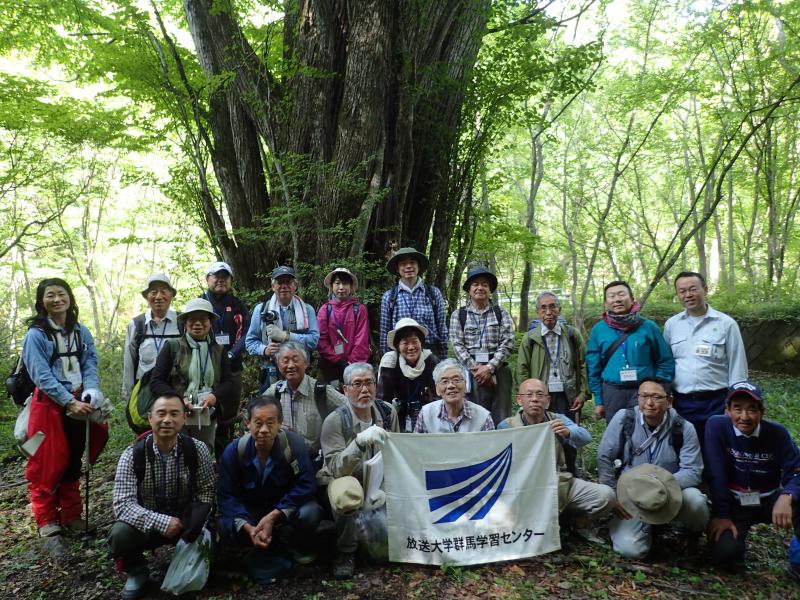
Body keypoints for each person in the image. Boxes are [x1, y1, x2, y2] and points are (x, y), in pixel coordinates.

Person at [22, 278, 111, 556]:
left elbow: (90, 362)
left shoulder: (81, 332)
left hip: (78, 403)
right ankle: (47, 521)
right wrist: (67, 402)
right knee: (46, 462)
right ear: (41, 301)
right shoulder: (36, 335)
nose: (57, 299)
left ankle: (72, 516)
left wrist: (92, 389)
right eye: (50, 295)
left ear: (70, 298)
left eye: (62, 294)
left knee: (73, 459)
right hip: (47, 407)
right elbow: (40, 373)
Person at [109, 394, 215, 600]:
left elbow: (207, 490)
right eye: (161, 413)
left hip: (185, 521)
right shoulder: (132, 455)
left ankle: (190, 561)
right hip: (147, 524)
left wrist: (193, 521)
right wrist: (161, 522)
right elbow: (122, 505)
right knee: (120, 534)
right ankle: (137, 570)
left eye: (174, 413)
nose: (167, 420)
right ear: (150, 418)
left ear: (185, 418)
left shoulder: (197, 449)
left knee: (215, 530)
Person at [597, 378, 709, 559]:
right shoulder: (625, 419)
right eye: (644, 396)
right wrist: (613, 495)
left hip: (670, 494)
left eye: (656, 397)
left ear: (669, 401)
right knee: (630, 550)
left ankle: (691, 536)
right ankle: (638, 529)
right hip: (633, 496)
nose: (649, 403)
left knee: (695, 501)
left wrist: (660, 486)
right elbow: (604, 457)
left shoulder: (683, 428)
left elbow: (693, 470)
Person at [218, 395, 323, 581]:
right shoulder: (234, 452)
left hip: (282, 511)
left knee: (310, 512)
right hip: (252, 514)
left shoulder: (293, 445)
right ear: (247, 423)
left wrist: (275, 515)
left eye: (270, 423)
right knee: (225, 526)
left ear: (280, 423)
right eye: (258, 423)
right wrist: (247, 527)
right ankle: (253, 543)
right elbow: (227, 496)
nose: (264, 430)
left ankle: (289, 541)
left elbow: (306, 484)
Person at [705, 381, 800, 577]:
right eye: (737, 409)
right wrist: (722, 514)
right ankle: (733, 549)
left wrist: (788, 495)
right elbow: (716, 473)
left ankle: (797, 562)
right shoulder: (716, 427)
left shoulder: (777, 433)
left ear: (762, 413)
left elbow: (796, 468)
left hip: (769, 499)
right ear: (727, 410)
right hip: (735, 502)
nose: (744, 417)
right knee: (725, 555)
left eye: (752, 410)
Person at [320, 363, 399, 579]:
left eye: (369, 383)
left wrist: (383, 487)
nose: (364, 390)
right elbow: (336, 467)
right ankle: (346, 552)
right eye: (357, 384)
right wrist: (359, 443)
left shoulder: (387, 412)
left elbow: (396, 453)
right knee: (346, 492)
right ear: (345, 390)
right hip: (347, 478)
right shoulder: (335, 421)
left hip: (379, 481)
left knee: (383, 552)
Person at [498, 379, 615, 525]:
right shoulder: (507, 426)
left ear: (547, 401)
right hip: (522, 486)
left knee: (605, 496)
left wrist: (568, 432)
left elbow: (585, 437)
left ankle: (573, 523)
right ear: (519, 399)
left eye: (540, 395)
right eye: (529, 395)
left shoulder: (556, 419)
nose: (535, 399)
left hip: (558, 482)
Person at [663, 271, 748, 448]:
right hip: (682, 402)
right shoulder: (672, 325)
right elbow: (667, 363)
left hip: (716, 401)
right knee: (686, 449)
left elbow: (737, 366)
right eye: (682, 291)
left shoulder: (726, 324)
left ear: (705, 290)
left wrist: (734, 403)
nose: (688, 295)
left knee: (717, 450)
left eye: (693, 289)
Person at [150, 298, 236, 455]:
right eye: (192, 319)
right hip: (177, 412)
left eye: (203, 319)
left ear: (210, 323)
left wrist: (214, 396)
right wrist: (179, 400)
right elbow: (156, 382)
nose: (198, 323)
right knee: (177, 452)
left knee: (203, 453)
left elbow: (228, 381)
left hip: (206, 412)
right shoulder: (172, 346)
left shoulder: (218, 350)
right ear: (185, 322)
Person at [586, 281, 674, 423]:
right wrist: (598, 400)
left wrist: (660, 388)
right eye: (612, 296)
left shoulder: (648, 327)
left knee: (647, 432)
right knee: (617, 435)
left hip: (645, 391)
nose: (617, 299)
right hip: (612, 392)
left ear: (632, 299)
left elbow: (665, 360)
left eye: (621, 294)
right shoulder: (599, 330)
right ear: (606, 302)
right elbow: (593, 367)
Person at [263, 342, 346, 467]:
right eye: (285, 361)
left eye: (295, 360)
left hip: (314, 461)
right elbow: (253, 415)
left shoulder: (321, 391)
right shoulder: (275, 392)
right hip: (282, 461)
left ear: (306, 363)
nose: (290, 365)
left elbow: (349, 409)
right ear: (279, 365)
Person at [449, 267, 515, 424]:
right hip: (470, 372)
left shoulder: (501, 313)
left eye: (484, 284)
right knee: (473, 417)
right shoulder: (459, 315)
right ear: (469, 289)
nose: (480, 288)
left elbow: (508, 341)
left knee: (502, 416)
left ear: (490, 289)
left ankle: (502, 445)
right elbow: (457, 344)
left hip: (498, 370)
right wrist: (477, 370)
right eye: (475, 284)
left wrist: (490, 368)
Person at [517, 291, 590, 420]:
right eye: (543, 308)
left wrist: (583, 394)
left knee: (566, 432)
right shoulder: (530, 338)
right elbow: (523, 370)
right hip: (539, 396)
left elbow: (583, 365)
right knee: (542, 433)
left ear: (559, 310)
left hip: (568, 394)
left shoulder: (572, 334)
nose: (548, 312)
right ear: (538, 312)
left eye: (552, 307)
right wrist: (527, 397)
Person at [246, 266, 320, 392]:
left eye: (288, 282)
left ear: (295, 285)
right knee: (270, 409)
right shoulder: (261, 309)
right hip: (270, 370)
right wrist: (264, 350)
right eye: (280, 282)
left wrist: (287, 336)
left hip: (299, 371)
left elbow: (314, 341)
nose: (284, 286)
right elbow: (250, 342)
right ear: (273, 286)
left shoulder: (307, 310)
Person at [202, 261, 251, 450]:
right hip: (205, 368)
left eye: (225, 277)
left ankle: (225, 457)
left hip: (233, 368)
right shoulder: (200, 303)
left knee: (229, 415)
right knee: (204, 412)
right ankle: (204, 455)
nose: (221, 280)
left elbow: (248, 333)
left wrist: (232, 354)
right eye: (216, 276)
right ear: (208, 279)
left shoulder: (237, 305)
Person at [122, 273, 181, 402]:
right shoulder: (137, 325)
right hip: (145, 392)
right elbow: (129, 363)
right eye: (153, 292)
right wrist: (129, 397)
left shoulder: (182, 323)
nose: (158, 297)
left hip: (176, 391)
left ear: (171, 295)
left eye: (164, 292)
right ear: (146, 297)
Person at [379, 247, 447, 358]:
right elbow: (384, 332)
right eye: (403, 263)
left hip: (430, 352)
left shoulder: (433, 293)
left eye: (412, 262)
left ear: (418, 266)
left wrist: (444, 358)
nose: (408, 266)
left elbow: (442, 328)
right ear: (397, 268)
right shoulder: (389, 297)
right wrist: (386, 359)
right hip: (402, 353)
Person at [376, 318, 439, 432]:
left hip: (426, 413)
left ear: (421, 343)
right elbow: (383, 399)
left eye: (415, 341)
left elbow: (439, 393)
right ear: (398, 346)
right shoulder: (390, 362)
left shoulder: (430, 360)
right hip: (397, 414)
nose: (411, 347)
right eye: (405, 343)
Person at [316, 267, 370, 385]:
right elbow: (322, 340)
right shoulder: (325, 310)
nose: (341, 287)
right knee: (334, 397)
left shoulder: (359, 310)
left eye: (345, 283)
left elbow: (361, 340)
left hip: (355, 365)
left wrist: (351, 363)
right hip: (330, 365)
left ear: (351, 286)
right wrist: (338, 361)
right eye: (337, 283)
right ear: (331, 286)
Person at [413, 358, 495, 433]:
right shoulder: (426, 414)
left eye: (456, 380)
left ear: (466, 385)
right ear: (437, 389)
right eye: (445, 381)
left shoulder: (483, 417)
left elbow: (492, 448)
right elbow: (417, 446)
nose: (451, 386)